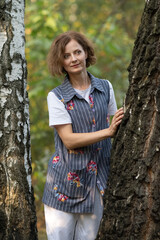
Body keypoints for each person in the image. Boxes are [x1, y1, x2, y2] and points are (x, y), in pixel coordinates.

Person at [42, 31, 124, 240]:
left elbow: (114, 123)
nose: (74, 59)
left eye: (77, 52)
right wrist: (108, 131)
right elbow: (69, 140)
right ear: (61, 62)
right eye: (67, 56)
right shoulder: (56, 97)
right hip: (63, 186)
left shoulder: (106, 87)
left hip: (96, 184)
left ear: (86, 53)